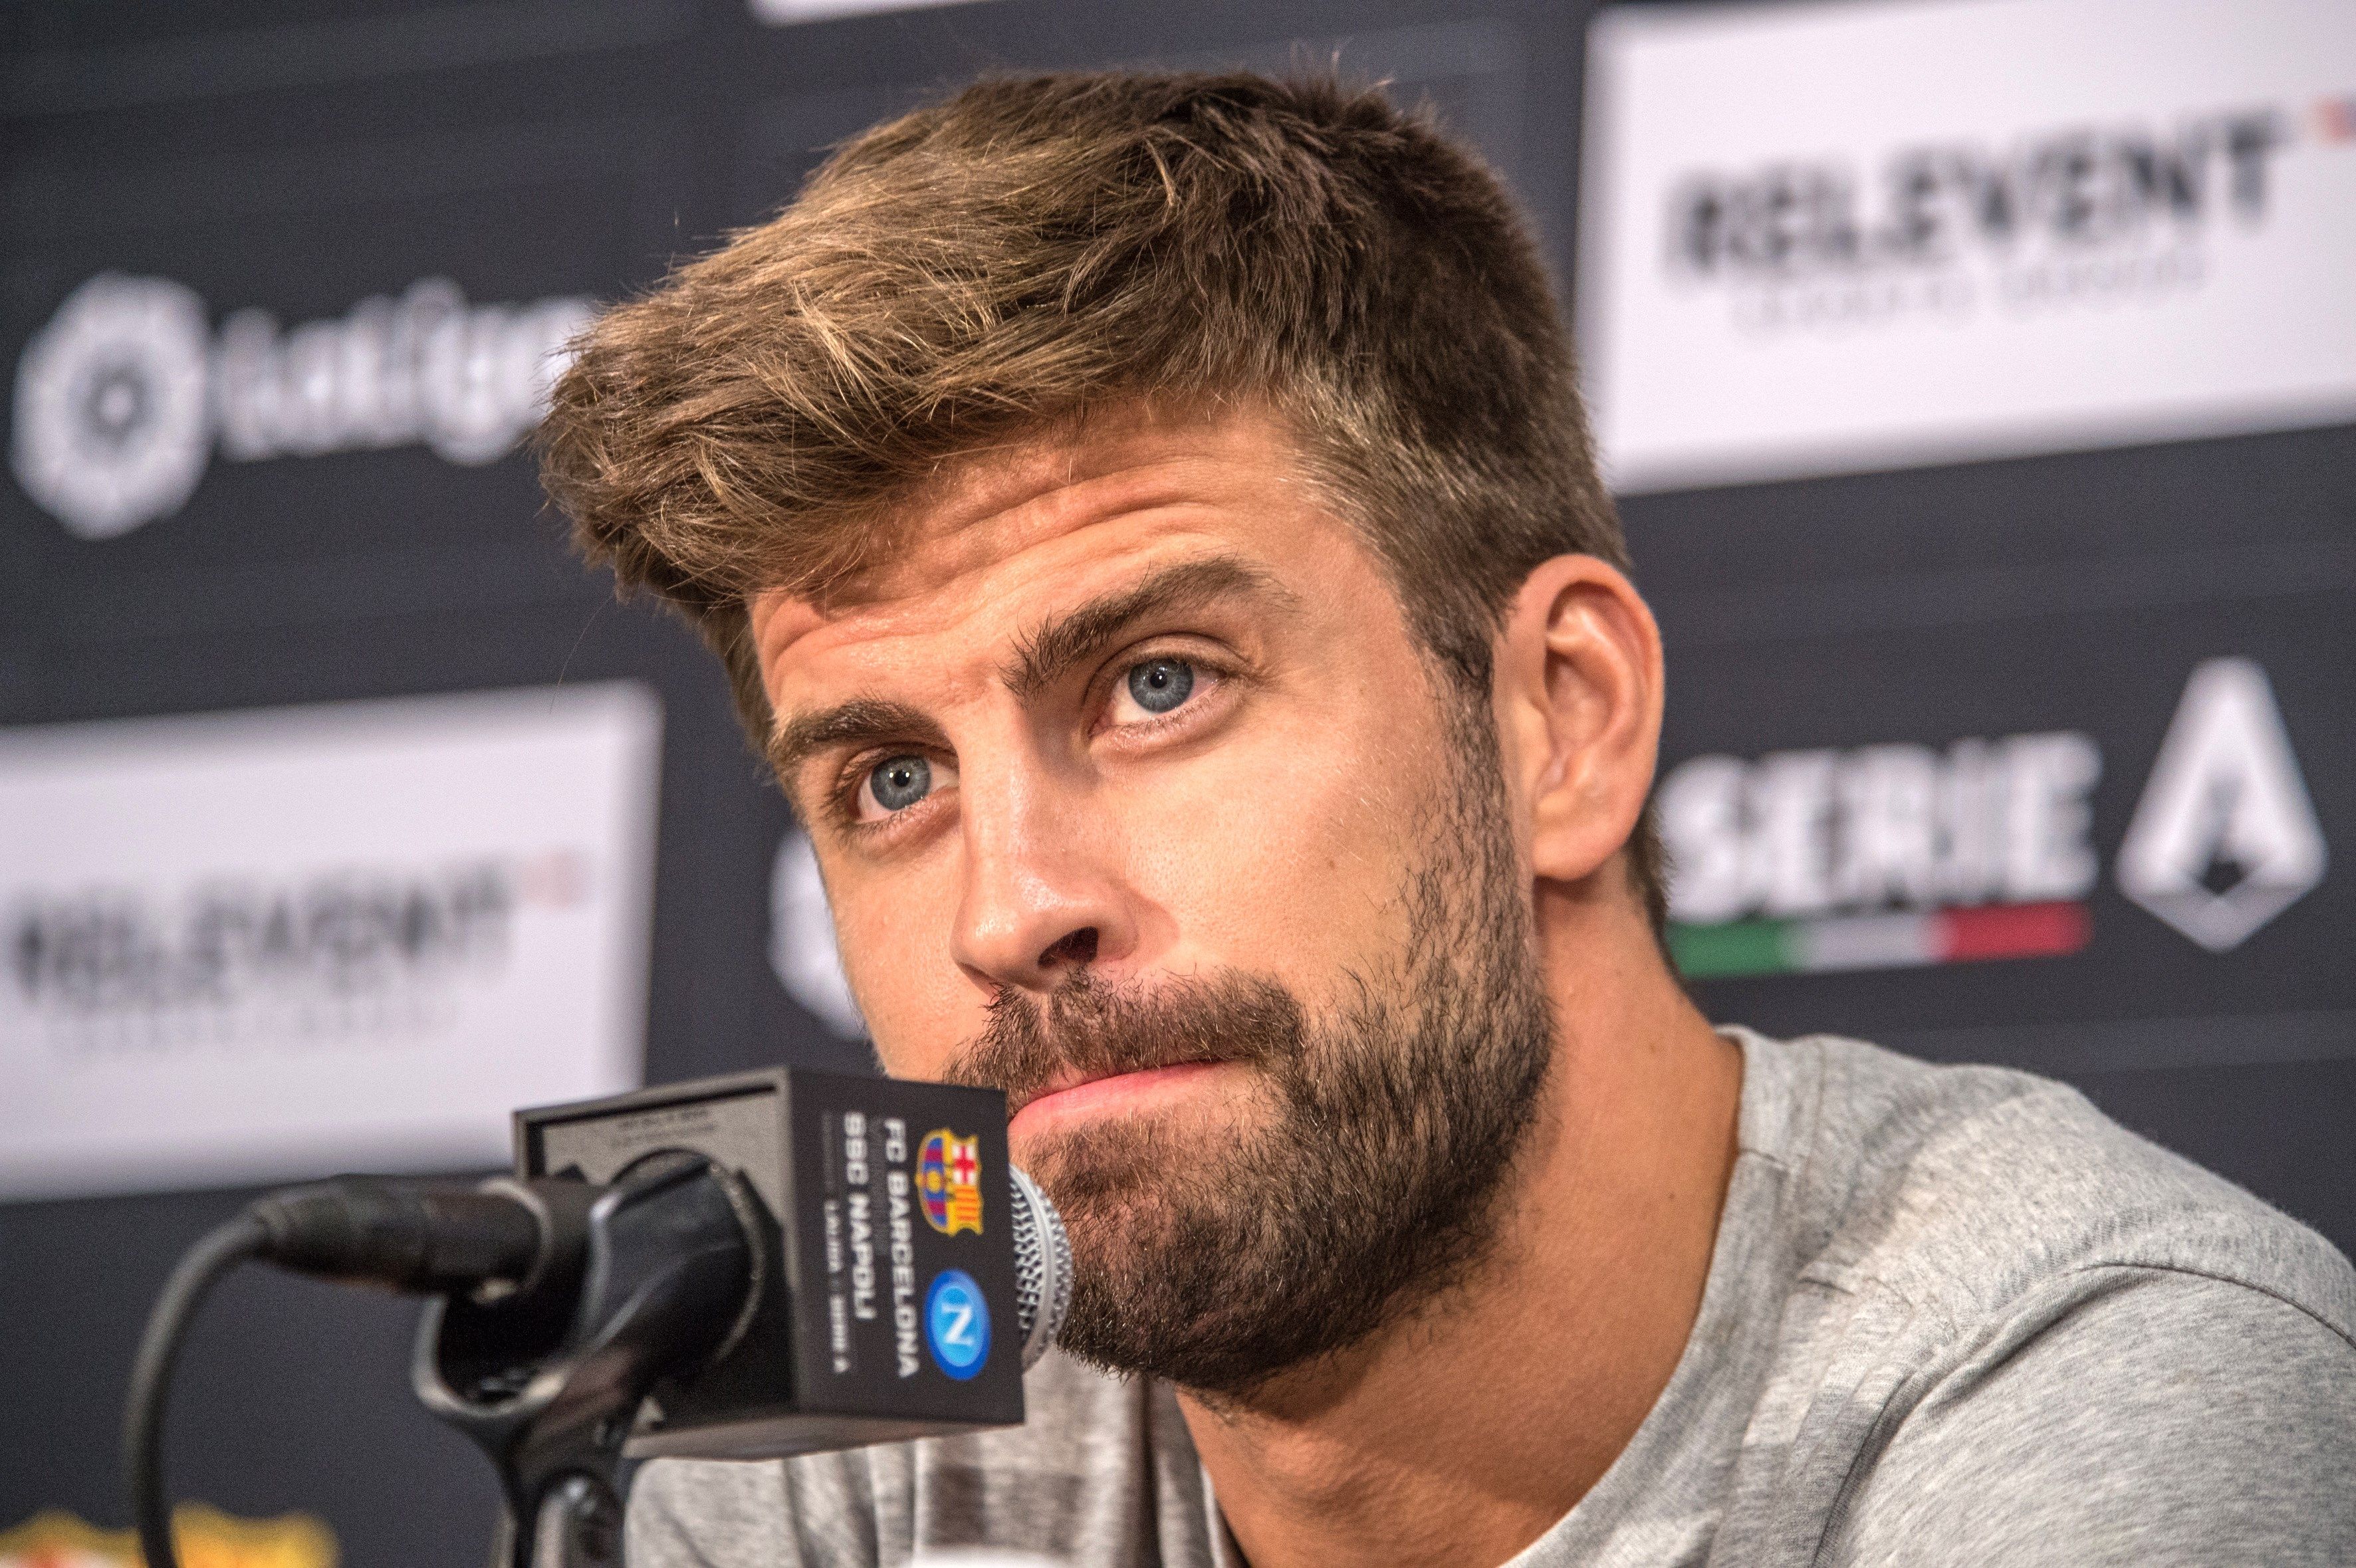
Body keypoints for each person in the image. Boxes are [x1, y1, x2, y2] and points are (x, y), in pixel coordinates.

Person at [538, 72, 2356, 1568]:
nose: (1009, 913)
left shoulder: (2087, 1393)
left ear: (1561, 720)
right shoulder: (844, 1463)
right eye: (894, 782)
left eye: (1161, 682)